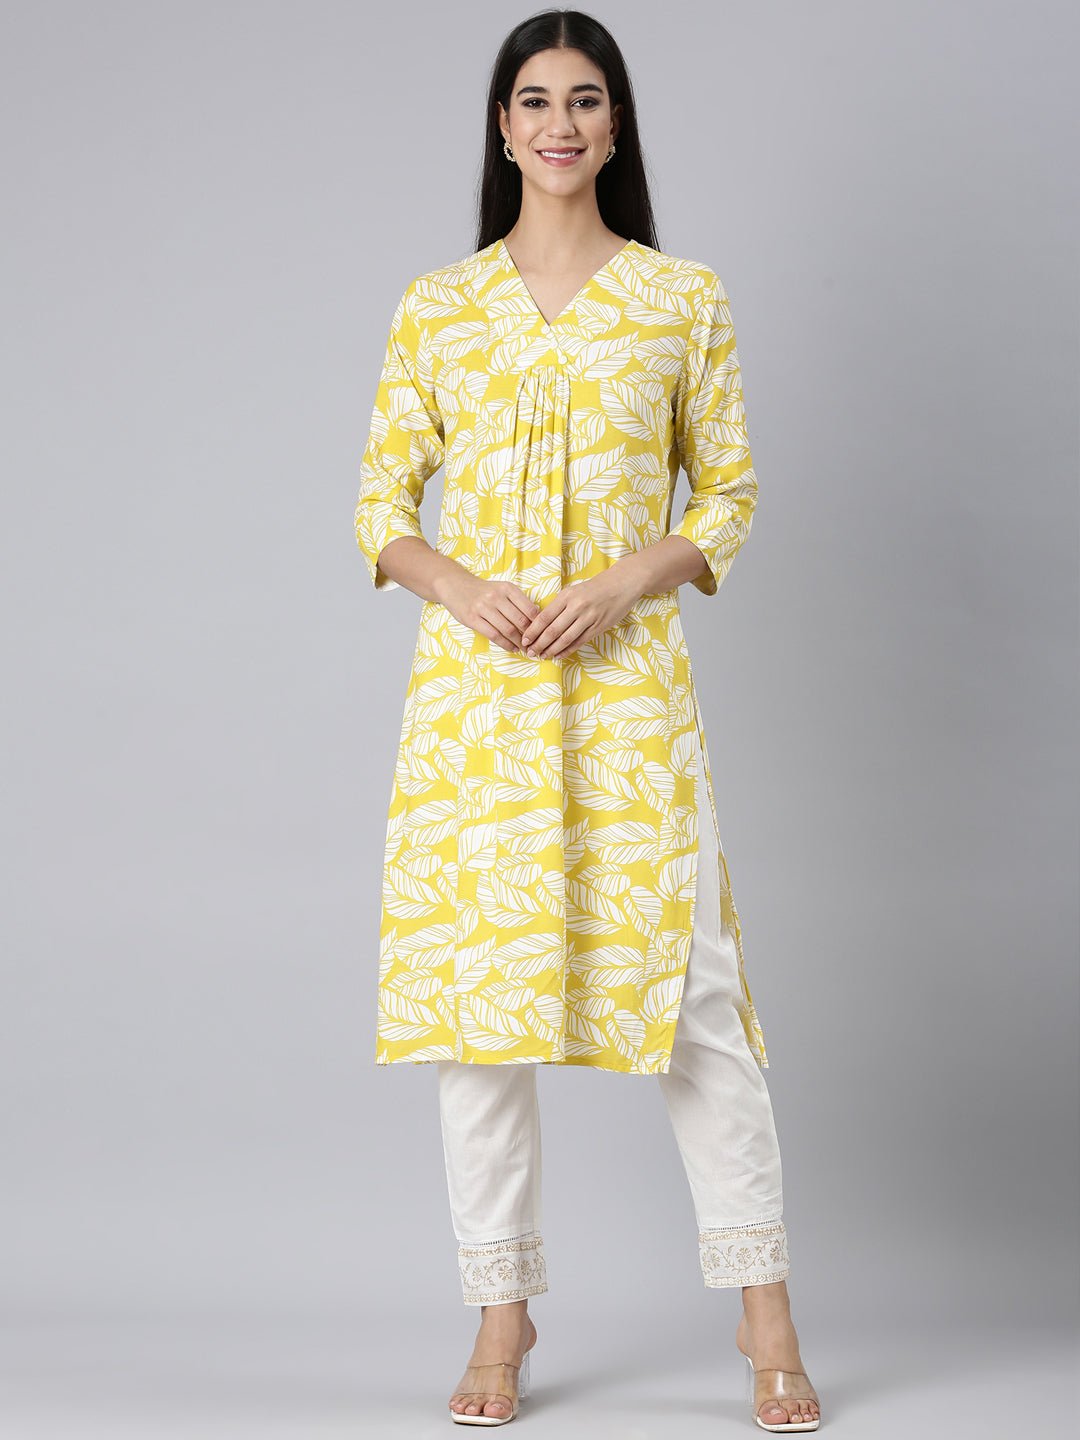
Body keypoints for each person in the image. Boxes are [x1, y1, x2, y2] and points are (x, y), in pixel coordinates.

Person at [353, 9, 821, 1432]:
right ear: (502, 128)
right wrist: (458, 584)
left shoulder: (682, 299)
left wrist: (631, 578)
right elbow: (380, 503)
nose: (560, 124)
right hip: (481, 705)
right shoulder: (440, 305)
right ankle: (501, 1312)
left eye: (585, 100)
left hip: (629, 697)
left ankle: (764, 1309)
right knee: (482, 1016)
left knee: (695, 998)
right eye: (535, 100)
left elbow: (728, 492)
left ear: (615, 127)